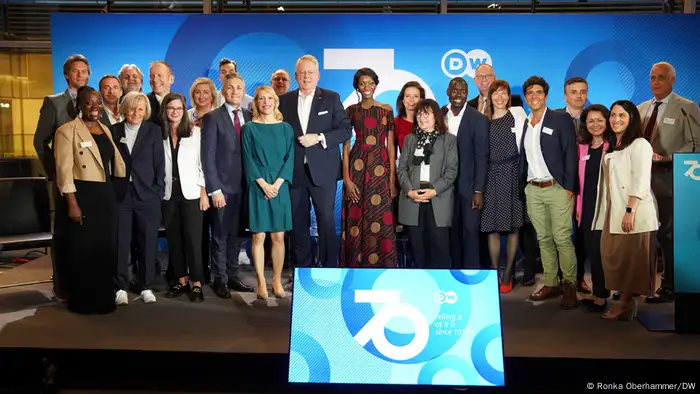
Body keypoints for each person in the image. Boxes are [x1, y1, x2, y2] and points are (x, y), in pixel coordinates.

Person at [53, 86, 126, 314]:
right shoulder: (67, 131)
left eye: (97, 102)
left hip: (105, 196)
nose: (94, 107)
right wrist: (72, 203)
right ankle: (83, 302)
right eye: (88, 103)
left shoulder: (104, 128)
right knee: (84, 250)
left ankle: (104, 300)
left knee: (105, 249)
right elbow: (64, 171)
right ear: (79, 106)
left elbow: (113, 163)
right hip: (83, 195)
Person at [278, 54, 352, 268]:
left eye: (310, 72)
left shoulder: (331, 97)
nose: (306, 76)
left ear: (318, 75)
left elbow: (345, 130)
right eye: (302, 73)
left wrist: (319, 138)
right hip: (294, 171)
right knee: (298, 223)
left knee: (326, 220)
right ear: (296, 76)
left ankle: (329, 268)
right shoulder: (284, 101)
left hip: (323, 171)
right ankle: (302, 270)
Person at [638, 62, 700, 304]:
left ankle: (670, 284)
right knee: (644, 234)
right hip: (643, 180)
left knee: (667, 234)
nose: (656, 81)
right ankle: (640, 284)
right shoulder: (641, 108)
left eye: (661, 77)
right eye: (652, 77)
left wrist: (668, 158)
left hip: (671, 178)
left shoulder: (686, 107)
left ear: (672, 80)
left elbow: (695, 144)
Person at [592, 100, 659, 321]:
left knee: (632, 262)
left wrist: (630, 210)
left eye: (622, 115)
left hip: (633, 211)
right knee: (615, 257)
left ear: (631, 119)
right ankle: (625, 302)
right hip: (614, 210)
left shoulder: (640, 144)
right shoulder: (613, 145)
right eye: (613, 115)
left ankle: (624, 305)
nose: (616, 120)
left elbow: (640, 180)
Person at [33, 54, 90, 302]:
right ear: (67, 74)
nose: (80, 75)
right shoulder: (54, 102)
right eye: (76, 71)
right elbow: (39, 140)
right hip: (64, 177)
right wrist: (54, 170)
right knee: (64, 231)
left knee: (87, 232)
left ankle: (85, 280)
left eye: (84, 71)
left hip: (90, 179)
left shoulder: (93, 101)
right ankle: (61, 283)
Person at [518, 76, 578, 310]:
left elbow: (570, 153)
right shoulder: (526, 123)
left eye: (539, 92)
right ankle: (551, 282)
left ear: (546, 95)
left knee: (562, 238)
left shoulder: (559, 119)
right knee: (543, 238)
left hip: (557, 187)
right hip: (534, 189)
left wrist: (569, 187)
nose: (534, 96)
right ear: (525, 97)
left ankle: (570, 285)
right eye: (530, 93)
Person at [201, 73, 256, 297]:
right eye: (230, 88)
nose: (234, 92)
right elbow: (208, 156)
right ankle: (220, 279)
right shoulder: (213, 117)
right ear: (223, 91)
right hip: (222, 189)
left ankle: (233, 276)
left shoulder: (251, 116)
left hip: (246, 188)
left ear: (244, 91)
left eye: (239, 88)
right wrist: (214, 189)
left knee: (238, 235)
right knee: (221, 235)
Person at [111, 91, 165, 305]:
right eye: (132, 108)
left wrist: (158, 192)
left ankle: (146, 286)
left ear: (146, 111)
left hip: (147, 196)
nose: (135, 112)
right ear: (124, 108)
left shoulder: (154, 131)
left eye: (140, 109)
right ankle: (121, 287)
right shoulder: (113, 131)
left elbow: (160, 165)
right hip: (121, 195)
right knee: (121, 243)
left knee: (147, 242)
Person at [242, 86, 295, 299]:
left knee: (278, 236)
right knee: (258, 236)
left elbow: (290, 158)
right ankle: (261, 282)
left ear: (275, 101)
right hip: (258, 186)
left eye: (269, 98)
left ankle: (276, 281)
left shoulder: (286, 128)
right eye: (261, 99)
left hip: (280, 186)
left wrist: (277, 184)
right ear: (256, 102)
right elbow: (248, 159)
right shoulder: (249, 128)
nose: (266, 102)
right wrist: (264, 185)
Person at [341, 68, 397, 267]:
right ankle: (355, 264)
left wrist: (392, 179)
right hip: (357, 165)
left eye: (370, 83)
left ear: (376, 85)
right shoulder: (350, 111)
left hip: (380, 166)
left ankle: (381, 265)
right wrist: (346, 179)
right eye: (362, 83)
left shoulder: (386, 110)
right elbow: (346, 146)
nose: (366, 87)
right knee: (356, 215)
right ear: (357, 86)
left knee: (379, 216)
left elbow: (391, 147)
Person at [397, 99, 458, 268]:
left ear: (436, 116)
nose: (422, 118)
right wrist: (409, 191)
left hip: (438, 199)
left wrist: (433, 191)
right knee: (417, 248)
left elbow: (451, 171)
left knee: (439, 247)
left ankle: (441, 289)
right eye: (419, 114)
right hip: (412, 199)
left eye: (427, 114)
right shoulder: (410, 139)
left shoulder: (449, 140)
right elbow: (401, 168)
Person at [160, 93, 209, 303]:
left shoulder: (195, 132)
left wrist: (203, 192)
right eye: (171, 108)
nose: (175, 112)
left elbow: (202, 164)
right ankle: (181, 279)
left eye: (179, 108)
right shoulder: (158, 134)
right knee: (175, 240)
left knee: (193, 239)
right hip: (168, 194)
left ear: (184, 110)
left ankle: (196, 283)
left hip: (191, 194)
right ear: (165, 110)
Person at [479, 80, 527, 292]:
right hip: (491, 175)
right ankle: (494, 270)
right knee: (492, 228)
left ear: (509, 96)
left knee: (514, 225)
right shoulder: (483, 120)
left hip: (513, 172)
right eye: (495, 93)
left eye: (503, 93)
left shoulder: (517, 114)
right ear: (489, 97)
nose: (500, 97)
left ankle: (508, 273)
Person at [576, 105, 611, 311]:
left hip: (608, 206)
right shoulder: (582, 148)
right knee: (592, 250)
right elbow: (580, 182)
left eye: (599, 120)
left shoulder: (614, 146)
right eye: (590, 121)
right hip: (587, 206)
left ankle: (602, 295)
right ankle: (600, 292)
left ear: (607, 122)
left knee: (604, 251)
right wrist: (578, 206)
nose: (595, 124)